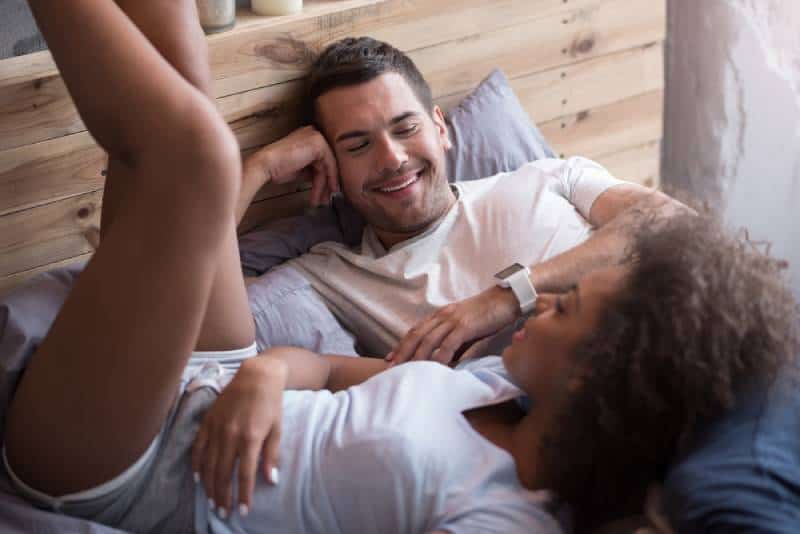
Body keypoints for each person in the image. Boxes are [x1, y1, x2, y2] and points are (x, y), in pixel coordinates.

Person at [237, 36, 689, 365]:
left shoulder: (547, 177)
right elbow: (195, 298)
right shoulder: (334, 277)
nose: (392, 159)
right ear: (329, 168)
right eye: (357, 145)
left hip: (678, 334)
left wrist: (505, 299)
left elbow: (673, 223)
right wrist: (257, 168)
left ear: (440, 127)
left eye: (405, 128)